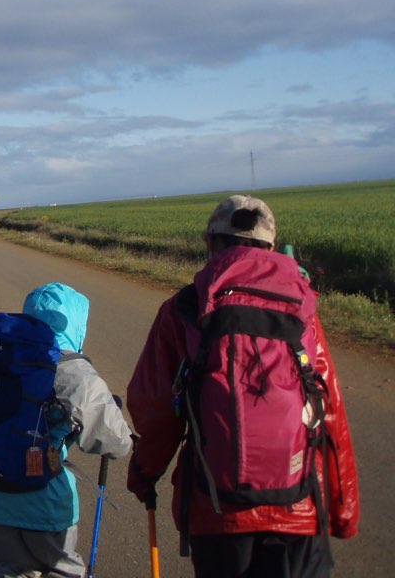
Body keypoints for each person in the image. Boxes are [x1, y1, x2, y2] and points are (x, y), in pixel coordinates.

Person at [126, 195, 360, 578]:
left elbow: (158, 411)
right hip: (298, 508)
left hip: (216, 511)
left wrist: (143, 474)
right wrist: (343, 509)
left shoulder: (185, 308)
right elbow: (328, 408)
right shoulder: (301, 307)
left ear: (210, 242)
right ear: (271, 246)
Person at [0, 282, 133, 578]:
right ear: (77, 323)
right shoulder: (73, 370)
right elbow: (115, 442)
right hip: (43, 503)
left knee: (11, 569)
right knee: (62, 571)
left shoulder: (2, 356)